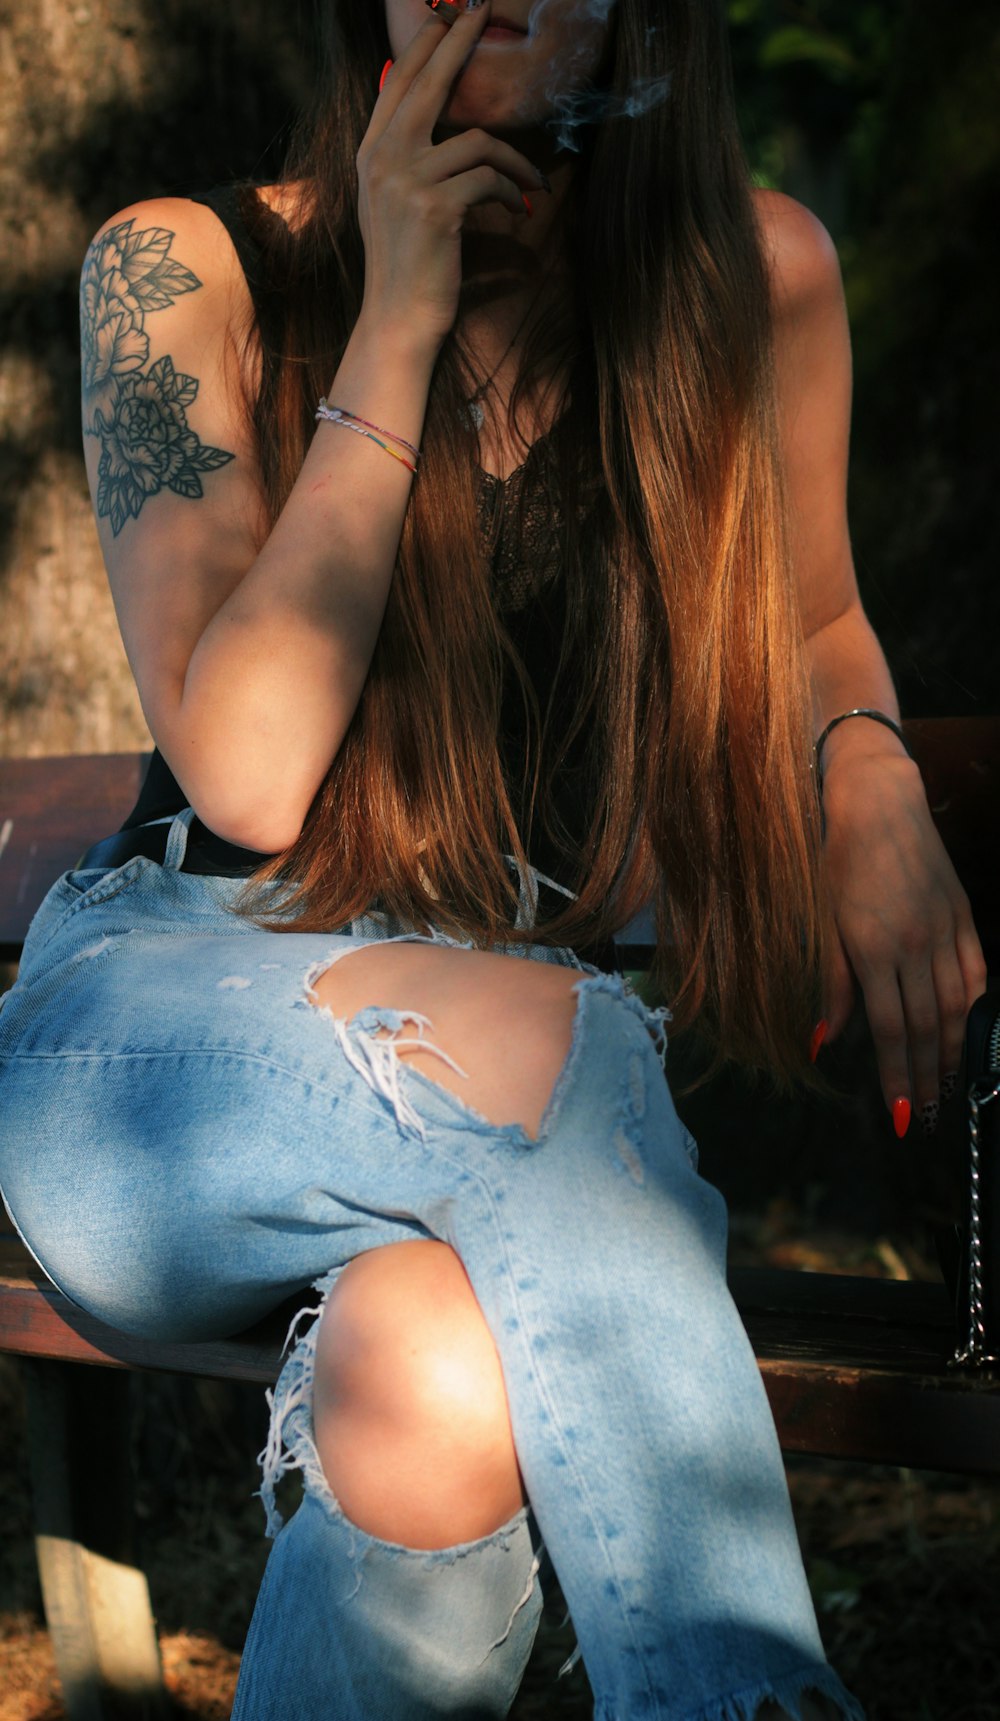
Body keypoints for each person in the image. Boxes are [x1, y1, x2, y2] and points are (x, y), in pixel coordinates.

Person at [0, 0, 986, 1715]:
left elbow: (819, 619)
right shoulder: (185, 268)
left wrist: (870, 766)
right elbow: (247, 772)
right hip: (153, 1056)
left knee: (438, 1380)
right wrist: (396, 323)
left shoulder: (755, 273)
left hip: (488, 1125)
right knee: (563, 1046)